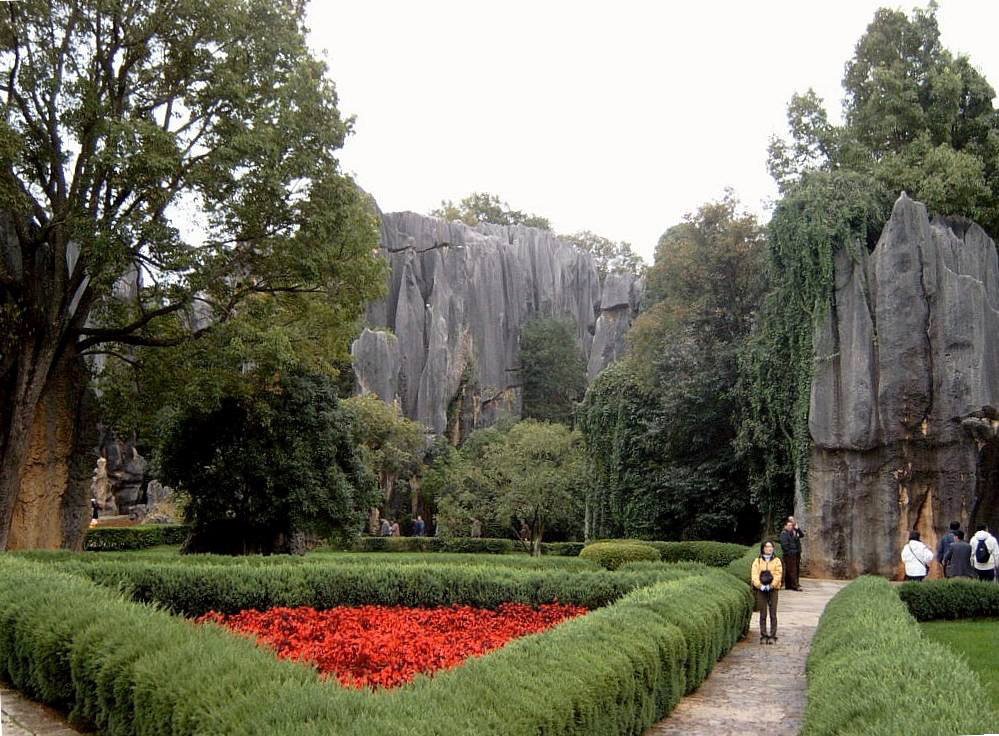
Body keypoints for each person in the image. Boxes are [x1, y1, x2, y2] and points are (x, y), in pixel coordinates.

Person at [750, 540, 783, 645]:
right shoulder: (757, 561)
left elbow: (778, 574)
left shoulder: (777, 561)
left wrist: (772, 585)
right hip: (761, 590)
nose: (769, 548)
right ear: (763, 548)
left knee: (773, 613)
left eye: (771, 547)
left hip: (773, 589)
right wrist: (760, 586)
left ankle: (773, 635)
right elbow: (754, 575)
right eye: (767, 547)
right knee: (763, 613)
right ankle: (763, 635)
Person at [779, 518, 804, 591]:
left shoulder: (792, 532)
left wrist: (797, 529)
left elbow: (801, 536)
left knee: (791, 570)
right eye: (789, 525)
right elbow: (784, 545)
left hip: (794, 553)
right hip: (789, 554)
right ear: (785, 526)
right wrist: (790, 552)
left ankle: (789, 585)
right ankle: (794, 586)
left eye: (791, 525)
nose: (790, 527)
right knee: (792, 570)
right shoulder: (784, 534)